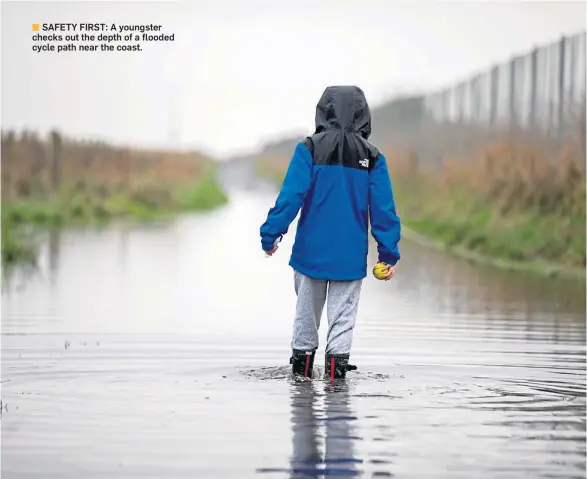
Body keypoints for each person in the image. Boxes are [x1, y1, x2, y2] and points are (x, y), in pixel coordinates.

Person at [260, 85, 401, 380]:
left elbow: (290, 197)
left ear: (323, 111)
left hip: (309, 254)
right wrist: (388, 254)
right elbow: (383, 210)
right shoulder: (373, 157)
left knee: (305, 320)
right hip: (349, 259)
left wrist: (271, 234)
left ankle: (301, 385)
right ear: (364, 115)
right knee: (342, 322)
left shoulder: (309, 149)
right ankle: (337, 391)